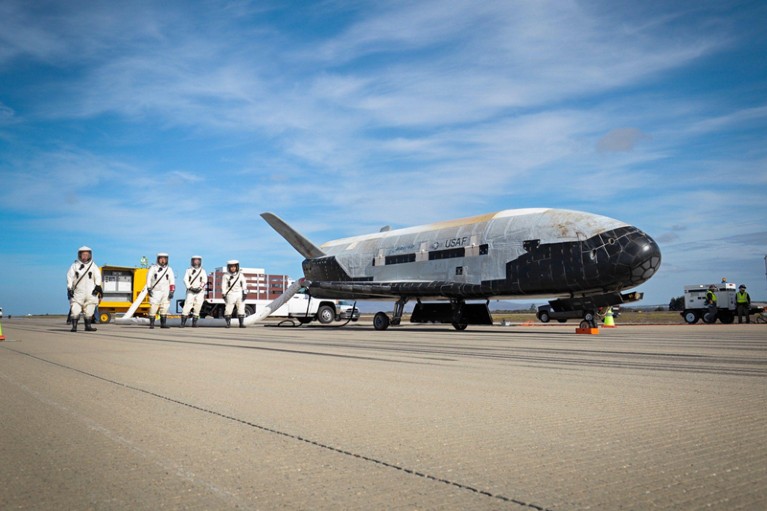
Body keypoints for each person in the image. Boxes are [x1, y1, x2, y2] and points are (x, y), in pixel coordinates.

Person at [66, 246, 102, 332]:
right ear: (79, 255)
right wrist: (69, 287)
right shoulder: (74, 266)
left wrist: (97, 285)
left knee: (90, 307)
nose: (85, 257)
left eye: (87, 255)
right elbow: (69, 277)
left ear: (90, 255)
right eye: (83, 255)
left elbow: (98, 276)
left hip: (91, 291)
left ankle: (88, 326)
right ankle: (74, 326)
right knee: (75, 307)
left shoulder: (93, 266)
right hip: (78, 291)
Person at [146, 252, 176, 329]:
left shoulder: (169, 269)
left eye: (165, 259)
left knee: (165, 306)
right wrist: (149, 288)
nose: (163, 260)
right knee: (153, 306)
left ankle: (163, 324)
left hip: (166, 291)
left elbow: (172, 280)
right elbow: (148, 278)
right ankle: (152, 324)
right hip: (155, 290)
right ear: (158, 259)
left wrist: (172, 291)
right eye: (161, 258)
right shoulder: (153, 268)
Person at [181, 255, 207, 328]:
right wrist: (190, 287)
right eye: (194, 260)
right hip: (190, 291)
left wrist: (200, 287)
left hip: (200, 292)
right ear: (192, 261)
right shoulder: (188, 270)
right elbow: (185, 280)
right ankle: (182, 323)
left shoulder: (203, 271)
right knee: (187, 306)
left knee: (198, 306)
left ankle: (194, 323)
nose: (196, 262)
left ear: (200, 261)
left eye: (197, 260)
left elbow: (204, 280)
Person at [222, 260, 248, 328]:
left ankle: (241, 323)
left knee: (241, 308)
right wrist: (223, 293)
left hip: (239, 293)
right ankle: (228, 324)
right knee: (228, 309)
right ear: (228, 267)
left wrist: (245, 293)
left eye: (234, 267)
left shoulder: (240, 275)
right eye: (231, 267)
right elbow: (223, 285)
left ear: (237, 267)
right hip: (230, 294)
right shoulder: (226, 275)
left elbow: (244, 284)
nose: (233, 268)